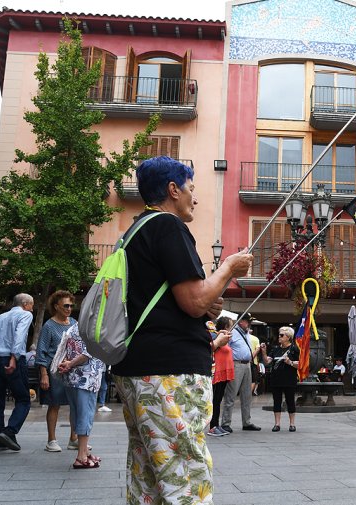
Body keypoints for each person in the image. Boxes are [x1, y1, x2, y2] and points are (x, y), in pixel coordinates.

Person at [111, 156, 253, 504]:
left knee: (148, 476)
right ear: (173, 190)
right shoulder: (168, 226)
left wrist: (207, 299)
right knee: (184, 475)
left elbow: (179, 300)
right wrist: (230, 268)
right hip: (168, 371)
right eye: (191, 188)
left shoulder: (133, 232)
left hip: (138, 366)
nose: (195, 197)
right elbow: (193, 301)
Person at [0, 293, 34, 453]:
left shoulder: (0, 317)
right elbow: (19, 337)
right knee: (23, 399)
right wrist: (14, 358)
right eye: (32, 305)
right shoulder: (25, 315)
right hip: (10, 359)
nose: (32, 308)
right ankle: (9, 432)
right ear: (25, 304)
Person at [57, 323, 105, 469]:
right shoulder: (94, 327)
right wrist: (71, 363)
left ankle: (84, 451)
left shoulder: (74, 326)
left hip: (71, 378)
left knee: (76, 413)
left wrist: (68, 364)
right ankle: (81, 456)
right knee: (86, 414)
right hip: (87, 377)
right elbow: (88, 353)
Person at [35, 290, 78, 452]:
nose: (69, 308)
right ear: (56, 306)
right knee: (54, 405)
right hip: (54, 372)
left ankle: (74, 438)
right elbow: (42, 351)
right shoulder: (49, 325)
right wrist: (44, 374)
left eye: (71, 305)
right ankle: (51, 440)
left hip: (72, 370)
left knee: (75, 405)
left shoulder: (74, 323)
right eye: (66, 305)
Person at [221, 317, 261, 433]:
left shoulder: (247, 333)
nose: (249, 324)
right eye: (248, 321)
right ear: (241, 322)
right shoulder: (233, 332)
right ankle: (226, 422)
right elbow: (224, 346)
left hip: (247, 364)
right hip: (236, 364)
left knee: (247, 395)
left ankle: (246, 422)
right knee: (231, 394)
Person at [259, 326, 300, 432]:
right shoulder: (276, 349)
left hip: (289, 379)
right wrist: (263, 352)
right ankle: (277, 424)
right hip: (276, 379)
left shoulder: (294, 349)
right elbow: (268, 361)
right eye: (279, 334)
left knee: (290, 401)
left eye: (282, 335)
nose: (279, 337)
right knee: (276, 401)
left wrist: (290, 362)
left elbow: (300, 364)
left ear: (288, 337)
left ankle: (292, 424)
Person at [208, 317, 234, 437]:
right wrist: (219, 335)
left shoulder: (223, 337)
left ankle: (216, 425)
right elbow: (213, 345)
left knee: (218, 400)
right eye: (230, 325)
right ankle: (212, 426)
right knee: (215, 400)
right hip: (217, 371)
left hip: (224, 372)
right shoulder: (215, 336)